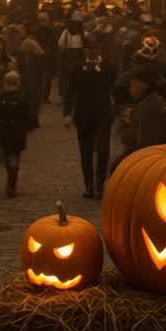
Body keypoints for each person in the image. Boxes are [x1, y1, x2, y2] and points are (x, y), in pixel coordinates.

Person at [65, 36, 116, 198]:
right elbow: (70, 91)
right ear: (84, 50)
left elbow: (115, 89)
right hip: (83, 114)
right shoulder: (77, 68)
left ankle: (100, 184)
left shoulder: (108, 67)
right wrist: (67, 113)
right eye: (89, 48)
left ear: (99, 49)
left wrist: (120, 108)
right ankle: (89, 185)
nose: (92, 51)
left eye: (94, 48)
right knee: (85, 151)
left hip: (103, 113)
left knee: (102, 150)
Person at [0, 71, 31, 197]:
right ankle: (12, 180)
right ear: (18, 83)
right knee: (14, 155)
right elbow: (29, 117)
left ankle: (11, 175)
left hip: (4, 132)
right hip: (17, 133)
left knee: (8, 155)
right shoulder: (23, 98)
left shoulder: (0, 98)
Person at [57, 15, 87, 108]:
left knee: (66, 77)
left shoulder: (66, 32)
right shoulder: (82, 33)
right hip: (77, 58)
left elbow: (60, 44)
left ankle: (65, 96)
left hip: (67, 58)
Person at [17, 37, 46, 128]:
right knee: (35, 104)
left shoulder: (25, 58)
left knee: (29, 103)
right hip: (36, 84)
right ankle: (34, 121)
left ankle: (30, 121)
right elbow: (40, 73)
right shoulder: (38, 58)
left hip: (28, 83)